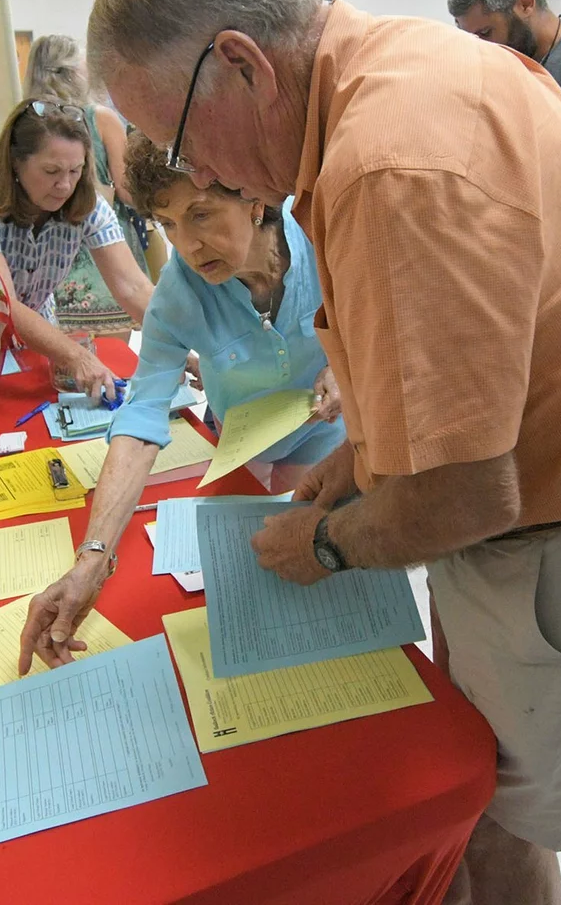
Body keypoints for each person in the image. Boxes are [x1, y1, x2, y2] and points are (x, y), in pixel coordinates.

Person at [79, 0, 561, 905]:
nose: (211, 180)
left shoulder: (382, 163)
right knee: (472, 798)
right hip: (526, 519)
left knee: (492, 812)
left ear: (239, 63)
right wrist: (358, 460)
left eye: (187, 144)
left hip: (543, 537)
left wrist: (322, 542)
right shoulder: (405, 70)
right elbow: (468, 360)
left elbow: (467, 493)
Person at [19, 130, 344, 673]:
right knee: (254, 575)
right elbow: (141, 417)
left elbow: (381, 308)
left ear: (253, 196)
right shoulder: (179, 293)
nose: (186, 247)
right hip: (239, 440)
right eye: (167, 224)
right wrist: (92, 559)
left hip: (329, 428)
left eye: (200, 214)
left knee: (319, 574)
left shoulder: (320, 230)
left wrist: (346, 362)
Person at [0, 98, 154, 398]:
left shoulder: (88, 203)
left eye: (75, 171)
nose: (64, 185)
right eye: (51, 171)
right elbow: (2, 302)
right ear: (15, 162)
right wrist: (77, 357)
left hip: (31, 339)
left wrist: (179, 342)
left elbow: (133, 286)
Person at [24, 34, 152, 337]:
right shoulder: (100, 118)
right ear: (73, 71)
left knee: (62, 366)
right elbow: (128, 191)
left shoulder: (28, 122)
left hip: (49, 263)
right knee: (115, 365)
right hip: (106, 262)